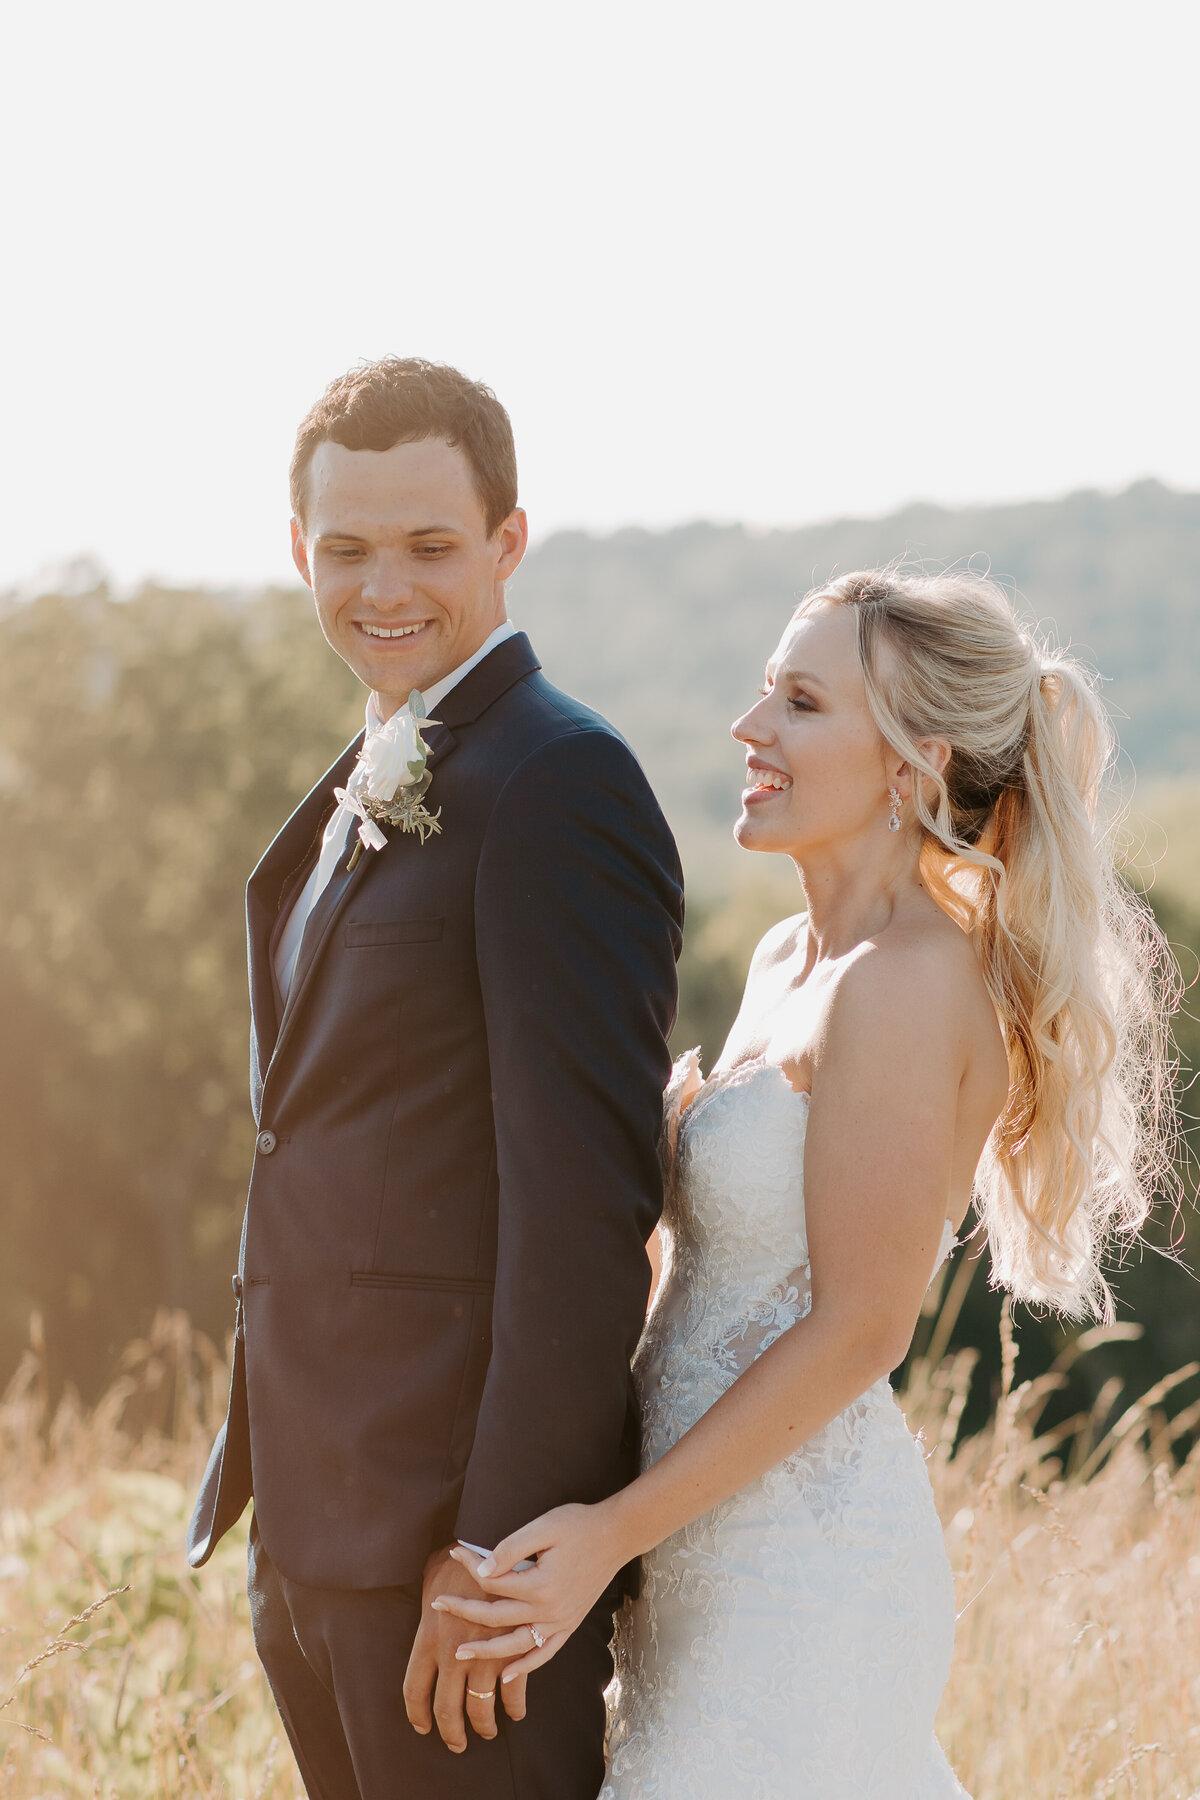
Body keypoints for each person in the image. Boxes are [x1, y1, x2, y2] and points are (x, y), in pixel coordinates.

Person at [434, 569, 1179, 1798]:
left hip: (799, 1575)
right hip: (693, 1547)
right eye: (765, 693)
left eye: (800, 703)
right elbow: (726, 1277)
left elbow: (858, 1330)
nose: (749, 728)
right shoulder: (791, 954)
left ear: (909, 766)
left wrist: (607, 1534)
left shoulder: (906, 982)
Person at [186, 356, 684, 1800]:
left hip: (447, 1560)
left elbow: (586, 1213)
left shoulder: (555, 784)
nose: (381, 586)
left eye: (428, 545)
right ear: (298, 551)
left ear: (509, 542)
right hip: (316, 1514)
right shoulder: (385, 763)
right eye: (345, 549)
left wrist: (497, 1557)